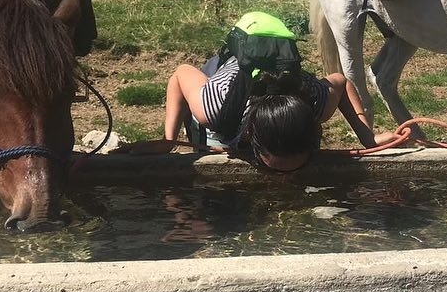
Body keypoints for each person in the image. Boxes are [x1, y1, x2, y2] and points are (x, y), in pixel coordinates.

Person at [163, 12, 396, 172]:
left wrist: (369, 139)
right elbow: (180, 75)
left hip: (281, 72)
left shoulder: (314, 100)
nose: (288, 179)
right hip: (233, 79)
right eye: (273, 170)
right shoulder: (215, 107)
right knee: (213, 138)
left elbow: (341, 82)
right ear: (251, 136)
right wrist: (168, 142)